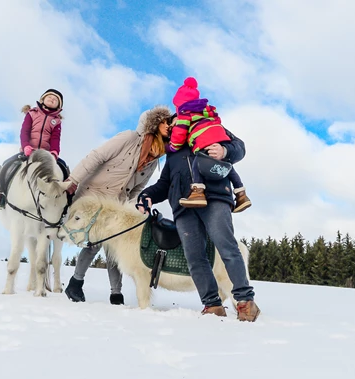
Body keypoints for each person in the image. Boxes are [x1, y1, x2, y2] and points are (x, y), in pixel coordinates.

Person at [136, 117, 261, 322]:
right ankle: (212, 304)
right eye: (173, 124)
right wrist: (147, 196)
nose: (177, 125)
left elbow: (239, 147)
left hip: (215, 198)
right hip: (184, 208)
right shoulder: (173, 153)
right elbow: (164, 184)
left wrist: (224, 151)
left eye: (180, 120)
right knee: (194, 256)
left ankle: (245, 301)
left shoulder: (209, 129)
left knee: (226, 246)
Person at [64, 106, 173, 305]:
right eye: (166, 122)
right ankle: (75, 283)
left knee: (115, 245)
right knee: (94, 243)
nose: (170, 126)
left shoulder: (155, 159)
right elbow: (97, 156)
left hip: (116, 203)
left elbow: (138, 188)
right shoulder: (129, 138)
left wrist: (133, 209)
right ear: (155, 125)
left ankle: (116, 294)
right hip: (93, 196)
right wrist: (73, 180)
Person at [170, 77, 251, 213]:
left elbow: (179, 135)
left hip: (218, 195)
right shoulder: (207, 114)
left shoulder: (185, 116)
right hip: (219, 136)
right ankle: (241, 195)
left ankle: (197, 192)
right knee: (228, 167)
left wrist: (172, 146)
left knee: (198, 164)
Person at [0, 89, 64, 209]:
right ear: (42, 99)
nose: (52, 99)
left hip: (46, 154)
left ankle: (67, 200)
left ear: (58, 106)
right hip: (29, 150)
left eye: (56, 100)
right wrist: (26, 147)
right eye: (50, 97)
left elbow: (56, 138)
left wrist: (54, 153)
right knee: (6, 164)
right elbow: (24, 131)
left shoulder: (56, 121)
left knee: (64, 167)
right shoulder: (32, 113)